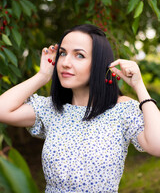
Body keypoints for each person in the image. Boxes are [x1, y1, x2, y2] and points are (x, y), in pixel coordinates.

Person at [0, 24, 160, 193]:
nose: (65, 63)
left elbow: (157, 145)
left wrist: (139, 86)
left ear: (99, 64)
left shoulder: (122, 110)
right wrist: (42, 76)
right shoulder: (51, 108)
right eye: (62, 53)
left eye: (79, 55)